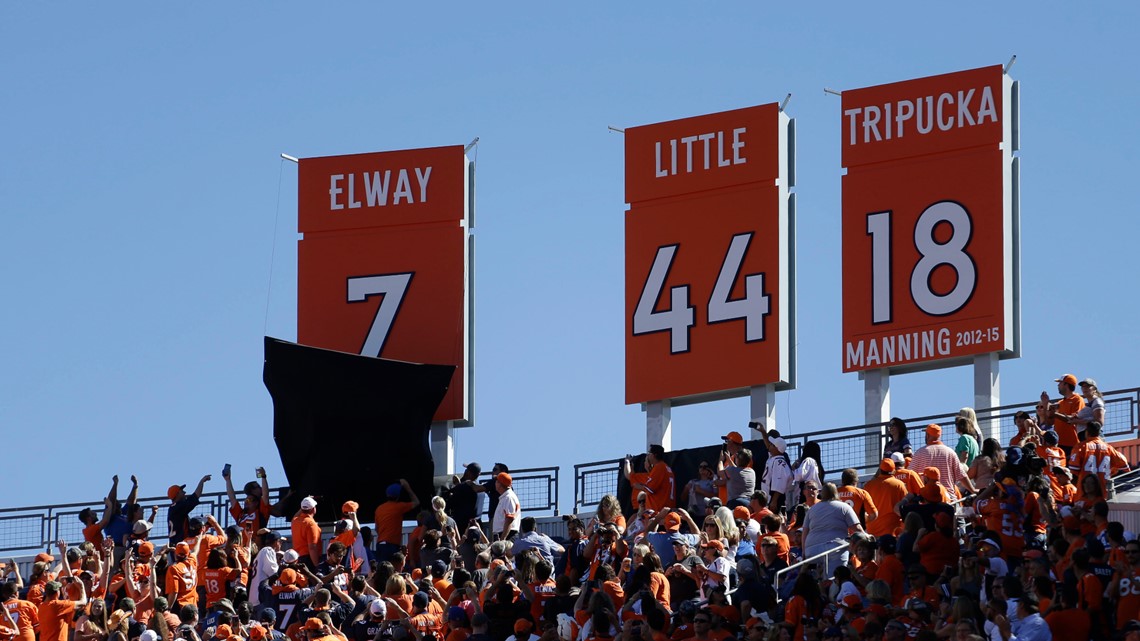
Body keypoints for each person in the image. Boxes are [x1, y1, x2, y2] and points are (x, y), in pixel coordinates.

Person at [801, 483, 863, 575]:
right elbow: (857, 528)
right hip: (835, 549)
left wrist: (804, 552)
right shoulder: (844, 507)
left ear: (822, 494)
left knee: (817, 578)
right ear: (836, 493)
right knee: (835, 577)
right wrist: (866, 538)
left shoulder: (811, 510)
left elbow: (805, 532)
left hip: (812, 551)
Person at [909, 424, 976, 497]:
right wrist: (973, 490)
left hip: (927, 499)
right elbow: (962, 475)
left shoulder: (920, 453)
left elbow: (910, 474)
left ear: (927, 435)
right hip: (948, 498)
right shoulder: (950, 452)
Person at [1068, 421, 1130, 490]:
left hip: (1087, 490)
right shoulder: (1109, 448)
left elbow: (1073, 470)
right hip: (1104, 489)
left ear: (1087, 432)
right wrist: (1111, 471)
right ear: (1098, 433)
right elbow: (1124, 465)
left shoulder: (1080, 447)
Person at [374, 479, 421, 561]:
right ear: (398, 496)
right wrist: (407, 487)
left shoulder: (379, 508)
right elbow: (416, 502)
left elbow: (376, 528)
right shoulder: (399, 507)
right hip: (391, 545)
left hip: (380, 545)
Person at [1043, 374, 1085, 457]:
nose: (1058, 385)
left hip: (1072, 443)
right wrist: (1045, 404)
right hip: (1059, 444)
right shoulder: (1060, 403)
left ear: (1066, 384)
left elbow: (1072, 419)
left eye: (1060, 383)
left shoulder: (1077, 399)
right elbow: (1049, 422)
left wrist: (1055, 414)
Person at [863, 460, 906, 538]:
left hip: (872, 531)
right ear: (894, 470)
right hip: (892, 531)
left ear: (880, 470)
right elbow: (905, 507)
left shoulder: (868, 485)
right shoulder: (899, 485)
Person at [166, 475, 212, 549]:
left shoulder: (173, 508)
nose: (184, 492)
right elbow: (195, 496)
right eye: (181, 491)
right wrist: (202, 482)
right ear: (177, 494)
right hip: (181, 545)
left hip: (174, 546)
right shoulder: (178, 507)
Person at [628, 445, 676, 513]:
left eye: (649, 453)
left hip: (658, 510)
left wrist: (638, 486)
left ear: (654, 455)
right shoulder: (666, 468)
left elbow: (650, 489)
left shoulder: (659, 467)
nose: (648, 456)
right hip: (667, 508)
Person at [758, 430, 792, 512]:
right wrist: (762, 431)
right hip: (769, 497)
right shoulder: (774, 457)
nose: (769, 445)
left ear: (777, 448)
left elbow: (780, 482)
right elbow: (768, 447)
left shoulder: (779, 462)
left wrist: (774, 501)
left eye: (772, 445)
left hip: (773, 498)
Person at [292, 496, 322, 570]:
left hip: (298, 559)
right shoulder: (311, 524)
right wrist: (317, 566)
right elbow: (312, 547)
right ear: (313, 509)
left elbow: (295, 516)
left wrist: (305, 501)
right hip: (309, 560)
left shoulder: (295, 521)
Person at [492, 472, 521, 540]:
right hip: (505, 534)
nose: (495, 483)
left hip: (507, 535)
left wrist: (503, 539)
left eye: (497, 481)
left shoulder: (508, 498)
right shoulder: (506, 497)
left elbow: (509, 519)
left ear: (500, 484)